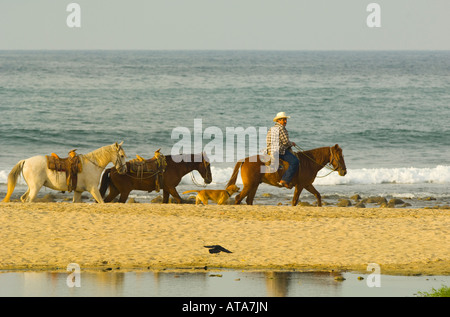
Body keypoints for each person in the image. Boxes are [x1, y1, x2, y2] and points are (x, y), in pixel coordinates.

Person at [266, 112, 299, 188]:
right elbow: (286, 142)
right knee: (295, 161)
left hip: (270, 150)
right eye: (284, 120)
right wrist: (292, 144)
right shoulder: (281, 128)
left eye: (286, 119)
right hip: (278, 151)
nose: (285, 121)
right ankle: (285, 180)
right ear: (278, 120)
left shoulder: (272, 128)